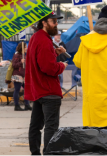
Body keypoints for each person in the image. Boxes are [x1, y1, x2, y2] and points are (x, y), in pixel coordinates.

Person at [25, 12, 68, 155]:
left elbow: (40, 60)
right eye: (53, 21)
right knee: (51, 127)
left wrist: (55, 53)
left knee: (35, 126)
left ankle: (35, 153)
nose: (56, 24)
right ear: (44, 22)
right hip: (48, 91)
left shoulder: (36, 38)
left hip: (38, 90)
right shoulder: (44, 40)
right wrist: (62, 65)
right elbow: (48, 68)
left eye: (56, 21)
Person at [11, 42, 32, 111]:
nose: (27, 48)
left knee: (27, 89)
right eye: (25, 47)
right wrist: (21, 62)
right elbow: (14, 65)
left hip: (23, 75)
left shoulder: (24, 55)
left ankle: (27, 105)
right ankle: (16, 105)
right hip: (17, 75)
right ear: (22, 48)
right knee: (17, 90)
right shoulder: (17, 55)